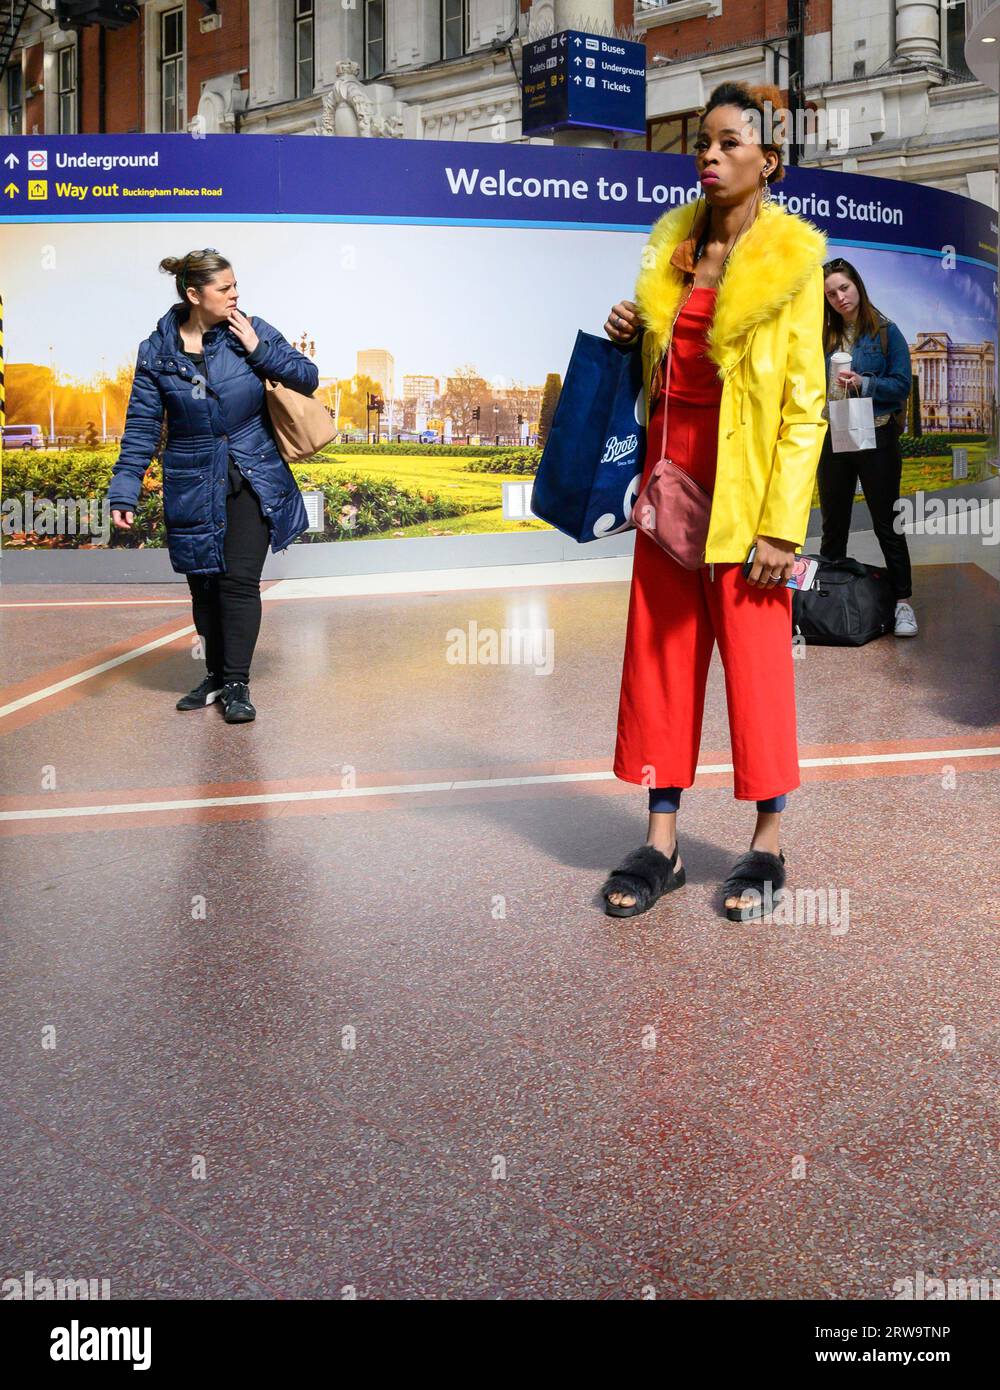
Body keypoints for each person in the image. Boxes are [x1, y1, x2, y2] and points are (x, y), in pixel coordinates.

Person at [599, 80, 828, 923]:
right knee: (661, 660)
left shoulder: (792, 263)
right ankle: (662, 844)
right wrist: (635, 331)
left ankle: (766, 841)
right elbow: (666, 373)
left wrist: (781, 525)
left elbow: (805, 407)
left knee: (757, 666)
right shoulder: (673, 249)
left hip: (748, 498)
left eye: (730, 142)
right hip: (669, 486)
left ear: (769, 160)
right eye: (703, 141)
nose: (709, 154)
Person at [108, 248, 319, 722]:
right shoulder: (157, 352)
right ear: (193, 294)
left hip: (252, 474)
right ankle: (216, 675)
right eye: (224, 288)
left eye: (235, 285)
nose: (235, 294)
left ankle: (237, 684)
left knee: (238, 582)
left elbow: (308, 378)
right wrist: (125, 486)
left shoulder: (252, 329)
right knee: (203, 586)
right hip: (191, 479)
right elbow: (142, 425)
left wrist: (259, 351)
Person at [819, 258, 916, 636]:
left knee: (887, 521)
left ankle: (903, 603)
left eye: (844, 288)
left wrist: (865, 382)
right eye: (831, 293)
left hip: (877, 435)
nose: (839, 297)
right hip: (835, 435)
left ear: (857, 285)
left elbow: (901, 385)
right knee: (833, 522)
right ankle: (827, 601)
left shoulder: (887, 333)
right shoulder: (822, 337)